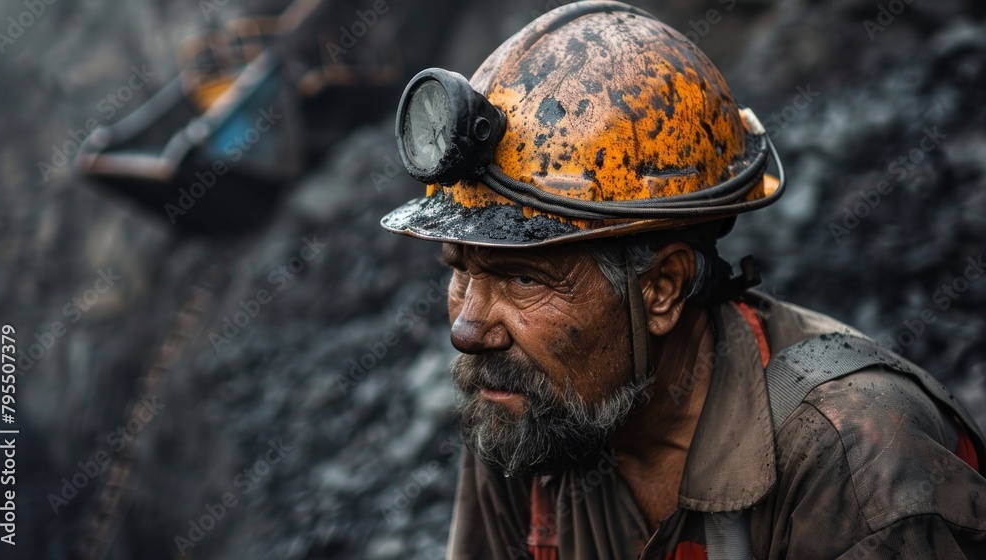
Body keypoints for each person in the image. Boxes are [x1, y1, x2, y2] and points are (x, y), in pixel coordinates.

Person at [381, 2, 986, 558]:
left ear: (662, 288)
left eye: (521, 280)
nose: (468, 327)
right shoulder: (528, 414)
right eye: (460, 270)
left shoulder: (855, 455)